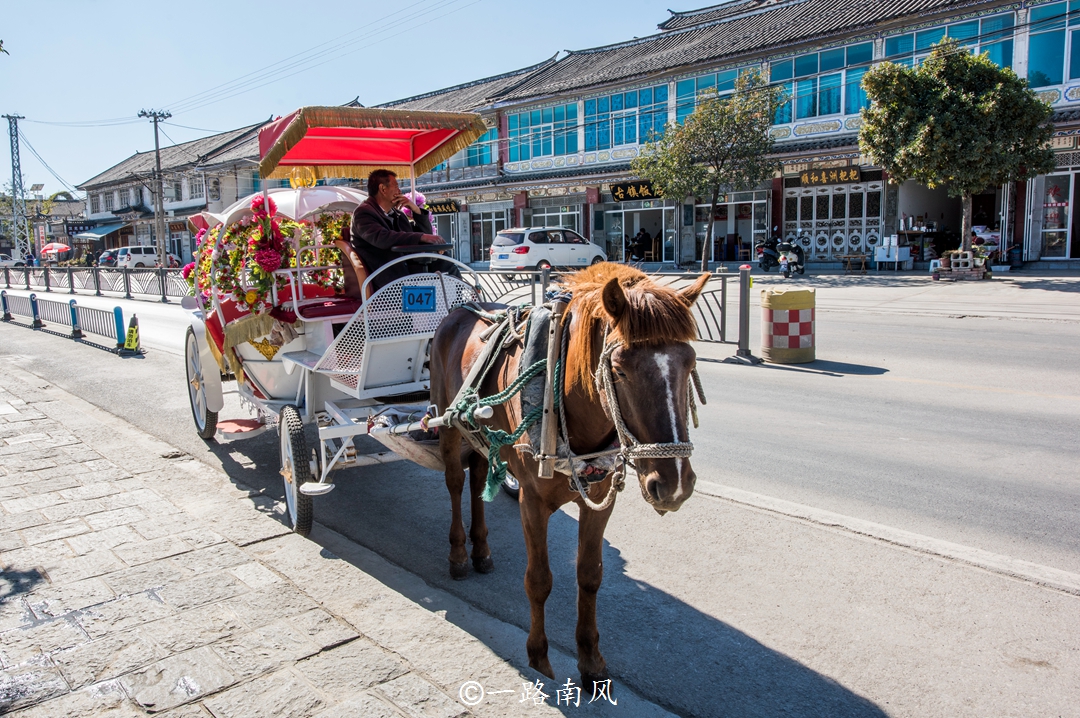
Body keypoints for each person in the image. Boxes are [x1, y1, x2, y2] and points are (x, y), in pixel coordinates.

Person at [351, 169, 446, 292]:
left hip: (406, 268)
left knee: (444, 261)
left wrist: (415, 209)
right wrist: (421, 237)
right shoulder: (364, 213)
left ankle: (462, 305)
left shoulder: (398, 214)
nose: (399, 191)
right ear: (383, 189)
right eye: (396, 186)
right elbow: (382, 238)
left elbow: (424, 234)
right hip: (386, 276)